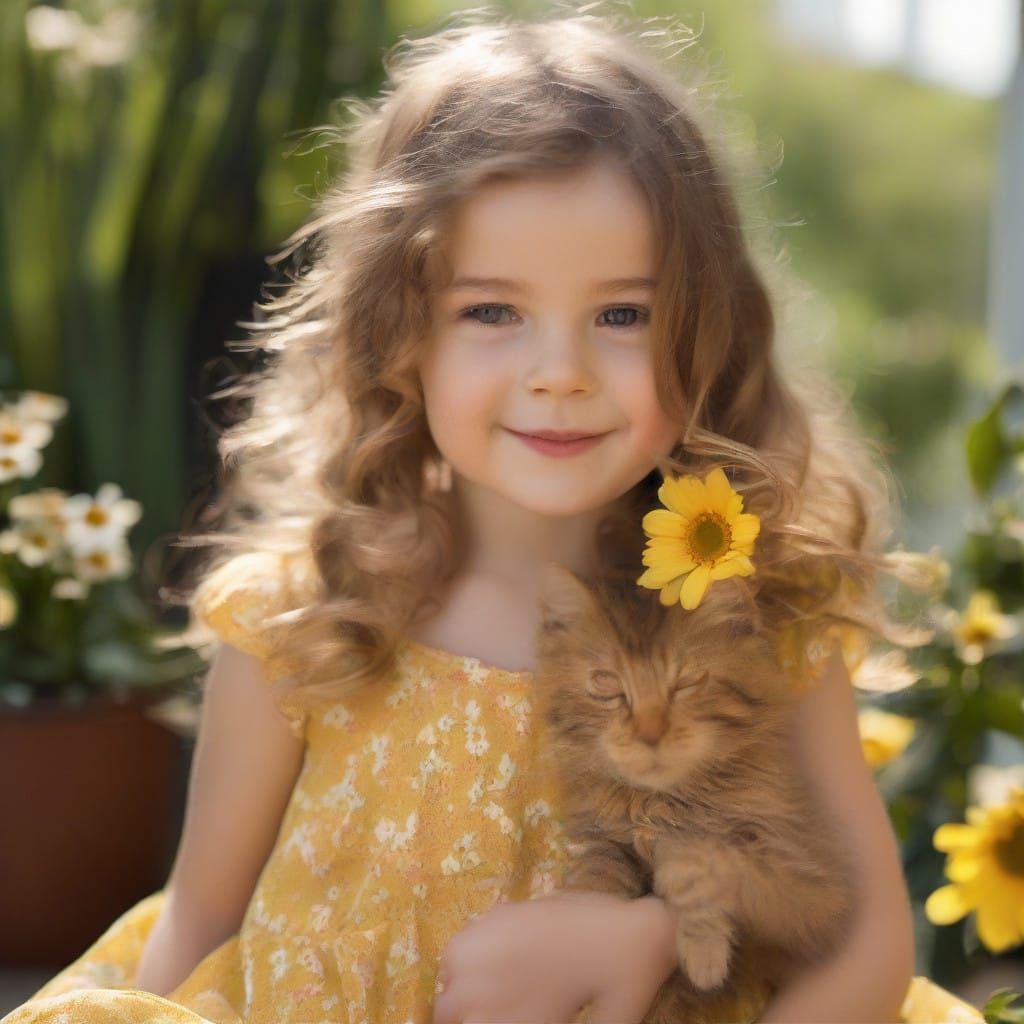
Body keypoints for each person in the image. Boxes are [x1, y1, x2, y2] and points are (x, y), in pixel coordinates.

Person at [3, 7, 985, 1023]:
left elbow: (866, 941)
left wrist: (655, 931)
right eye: (491, 311)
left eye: (622, 315)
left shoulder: (757, 612)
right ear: (400, 332)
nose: (557, 375)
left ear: (710, 332)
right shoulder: (303, 622)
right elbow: (201, 921)